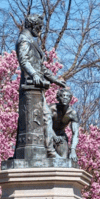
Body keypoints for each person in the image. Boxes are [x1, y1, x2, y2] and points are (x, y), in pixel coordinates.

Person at [14, 13, 67, 159]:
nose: (40, 30)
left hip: (37, 89)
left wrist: (55, 79)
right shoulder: (24, 40)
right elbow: (24, 61)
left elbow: (41, 67)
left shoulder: (31, 41)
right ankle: (44, 151)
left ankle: (49, 151)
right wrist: (34, 75)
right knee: (38, 120)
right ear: (32, 25)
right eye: (39, 27)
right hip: (30, 89)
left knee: (46, 118)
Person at [49, 88, 79, 161]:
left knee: (64, 160)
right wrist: (53, 136)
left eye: (68, 96)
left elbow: (75, 133)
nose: (65, 98)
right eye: (63, 96)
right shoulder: (51, 109)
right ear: (58, 98)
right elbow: (45, 124)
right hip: (47, 134)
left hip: (61, 136)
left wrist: (73, 150)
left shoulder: (72, 114)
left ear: (70, 99)